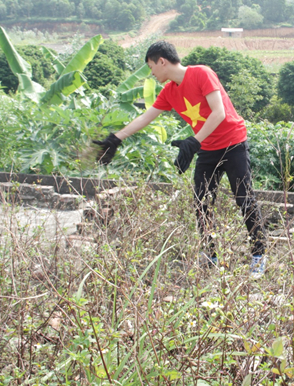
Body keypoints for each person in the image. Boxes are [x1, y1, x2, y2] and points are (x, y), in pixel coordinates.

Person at [93, 41, 267, 278]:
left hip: (233, 144)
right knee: (201, 204)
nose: (152, 73)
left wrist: (193, 142)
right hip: (207, 149)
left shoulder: (201, 73)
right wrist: (116, 138)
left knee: (244, 199)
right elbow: (146, 117)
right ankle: (210, 256)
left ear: (161, 61)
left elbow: (219, 112)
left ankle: (259, 255)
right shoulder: (169, 92)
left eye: (151, 67)